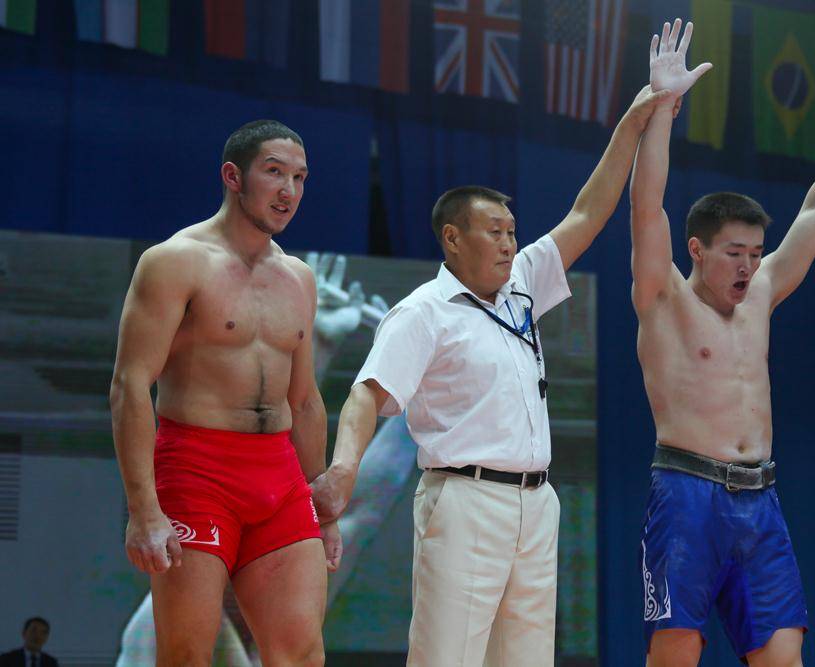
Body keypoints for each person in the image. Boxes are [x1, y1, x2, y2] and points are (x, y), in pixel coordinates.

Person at [307, 35, 698, 664]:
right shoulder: (423, 312)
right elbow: (365, 394)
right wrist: (344, 469)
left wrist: (639, 113)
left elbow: (588, 212)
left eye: (513, 232)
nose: (510, 244)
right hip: (464, 500)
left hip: (537, 503)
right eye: (495, 232)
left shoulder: (523, 284)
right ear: (452, 239)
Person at [630, 19, 815, 667]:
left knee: (783, 659)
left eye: (755, 252)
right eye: (733, 253)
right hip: (686, 496)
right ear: (696, 250)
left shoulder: (762, 292)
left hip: (760, 500)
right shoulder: (664, 298)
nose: (748, 266)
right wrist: (662, 110)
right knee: (675, 657)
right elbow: (647, 206)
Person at [109, 120, 333, 666]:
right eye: (274, 172)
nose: (289, 191)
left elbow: (304, 400)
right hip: (197, 471)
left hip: (279, 479)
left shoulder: (299, 278)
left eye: (300, 178)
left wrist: (322, 508)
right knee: (187, 654)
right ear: (233, 176)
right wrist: (143, 510)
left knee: (301, 655)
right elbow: (130, 386)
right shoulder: (174, 262)